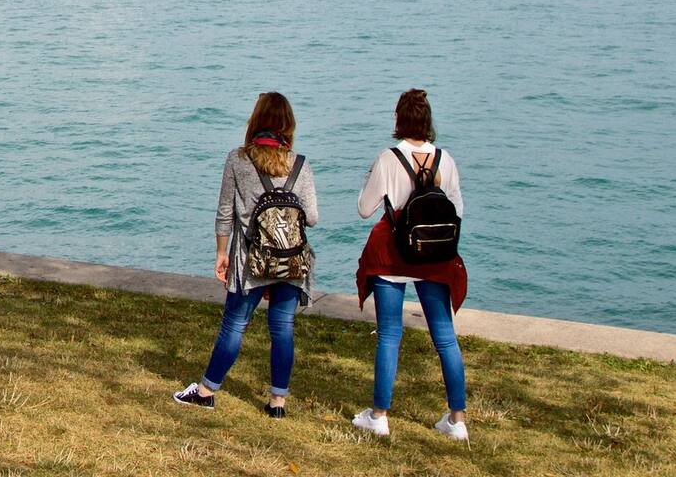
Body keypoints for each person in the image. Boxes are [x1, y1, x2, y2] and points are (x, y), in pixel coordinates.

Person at [172, 92, 318, 418]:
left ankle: (207, 391)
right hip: (292, 259)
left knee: (235, 325)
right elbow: (312, 216)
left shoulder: (238, 160)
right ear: (288, 125)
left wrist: (221, 253)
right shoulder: (301, 165)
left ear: (255, 121)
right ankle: (277, 403)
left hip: (249, 259)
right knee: (282, 327)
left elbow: (225, 212)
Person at [349, 88, 471, 440]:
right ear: (428, 122)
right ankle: (457, 419)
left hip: (393, 255)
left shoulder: (388, 158)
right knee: (445, 338)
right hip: (432, 256)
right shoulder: (445, 160)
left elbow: (364, 208)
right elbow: (457, 211)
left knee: (389, 334)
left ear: (399, 121)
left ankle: (379, 415)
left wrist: (370, 177)